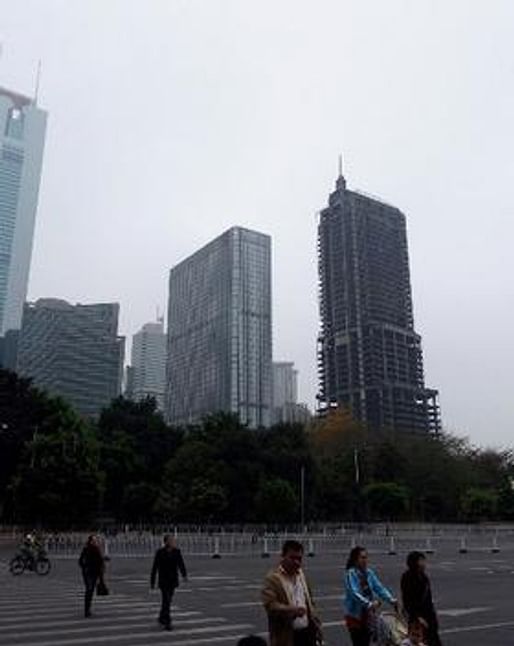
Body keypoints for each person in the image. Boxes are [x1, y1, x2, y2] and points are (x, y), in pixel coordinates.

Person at [261, 539, 322, 646]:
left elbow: (310, 602)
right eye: (292, 558)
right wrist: (292, 610)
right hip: (286, 635)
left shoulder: (301, 575)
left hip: (308, 633)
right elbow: (270, 605)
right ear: (283, 556)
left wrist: (317, 624)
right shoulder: (273, 578)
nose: (296, 562)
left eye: (299, 558)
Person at [344, 546, 398, 646]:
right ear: (355, 560)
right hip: (355, 616)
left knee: (366, 641)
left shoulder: (369, 573)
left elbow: (379, 588)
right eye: (362, 558)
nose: (365, 560)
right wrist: (369, 604)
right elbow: (354, 593)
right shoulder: (351, 574)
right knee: (359, 642)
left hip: (368, 616)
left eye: (366, 557)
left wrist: (391, 599)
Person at [401, 551, 442, 646]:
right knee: (418, 641)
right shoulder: (407, 577)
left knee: (433, 640)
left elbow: (428, 597)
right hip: (417, 618)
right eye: (421, 561)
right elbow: (407, 600)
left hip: (428, 616)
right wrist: (417, 617)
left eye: (424, 561)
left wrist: (432, 615)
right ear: (414, 562)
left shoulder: (424, 577)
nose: (424, 564)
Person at [150, 535, 188, 631]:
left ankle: (161, 617)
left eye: (173, 541)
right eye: (171, 541)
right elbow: (155, 567)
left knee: (167, 601)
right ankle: (168, 622)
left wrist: (184, 575)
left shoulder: (177, 552)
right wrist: (152, 582)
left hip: (172, 581)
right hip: (163, 581)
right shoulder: (160, 552)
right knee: (166, 601)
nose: (173, 542)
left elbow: (181, 564)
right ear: (166, 542)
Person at [79, 535, 105, 618]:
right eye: (93, 540)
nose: (95, 541)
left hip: (93, 573)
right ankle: (87, 610)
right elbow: (81, 561)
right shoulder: (88, 549)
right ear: (90, 541)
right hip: (89, 573)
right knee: (89, 591)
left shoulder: (96, 549)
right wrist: (85, 567)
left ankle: (88, 609)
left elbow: (100, 562)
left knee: (90, 591)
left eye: (96, 540)